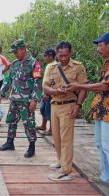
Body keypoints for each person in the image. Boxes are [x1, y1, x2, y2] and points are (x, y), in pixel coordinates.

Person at [66, 33, 109, 196]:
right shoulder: (108, 62)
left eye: (100, 45)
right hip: (102, 108)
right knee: (99, 144)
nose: (98, 48)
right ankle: (106, 177)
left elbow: (105, 85)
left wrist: (80, 86)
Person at [43, 41, 88, 181]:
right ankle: (61, 160)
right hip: (54, 105)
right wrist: (55, 91)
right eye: (61, 55)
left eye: (66, 55)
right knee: (56, 137)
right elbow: (45, 87)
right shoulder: (50, 67)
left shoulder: (78, 67)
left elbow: (83, 88)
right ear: (56, 54)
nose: (63, 58)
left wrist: (78, 105)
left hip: (69, 105)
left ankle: (66, 170)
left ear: (70, 53)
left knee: (66, 139)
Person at [0, 39, 42, 158]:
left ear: (23, 49)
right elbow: (8, 80)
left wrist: (34, 100)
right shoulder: (15, 64)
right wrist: (1, 93)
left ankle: (32, 146)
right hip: (14, 99)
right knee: (11, 121)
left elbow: (37, 83)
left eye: (16, 52)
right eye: (14, 52)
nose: (15, 54)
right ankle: (10, 143)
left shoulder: (34, 64)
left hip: (26, 101)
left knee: (29, 123)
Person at [36, 48, 57, 135]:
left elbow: (53, 80)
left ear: (51, 56)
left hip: (49, 93)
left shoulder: (54, 66)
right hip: (45, 92)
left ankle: (51, 129)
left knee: (49, 111)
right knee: (43, 109)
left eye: (45, 56)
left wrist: (48, 94)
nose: (44, 58)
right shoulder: (49, 65)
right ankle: (43, 125)